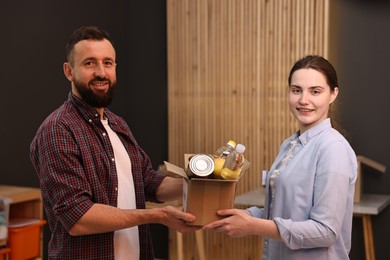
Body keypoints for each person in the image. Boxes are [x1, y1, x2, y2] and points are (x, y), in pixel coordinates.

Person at [30, 25, 198, 260]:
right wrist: (156, 216)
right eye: (89, 63)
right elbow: (78, 218)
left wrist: (198, 183)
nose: (101, 72)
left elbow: (147, 181)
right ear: (69, 71)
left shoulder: (117, 124)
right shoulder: (58, 130)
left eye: (107, 63)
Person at [204, 55, 357, 260]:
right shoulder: (290, 144)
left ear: (333, 94)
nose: (303, 100)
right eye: (296, 90)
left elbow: (326, 231)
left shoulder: (333, 149)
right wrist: (248, 216)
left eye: (315, 91)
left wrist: (255, 226)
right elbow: (283, 211)